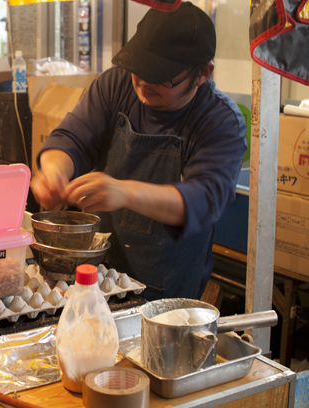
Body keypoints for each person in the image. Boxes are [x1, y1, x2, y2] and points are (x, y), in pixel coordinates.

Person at [31, 2, 247, 301]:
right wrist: (54, 170)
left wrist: (126, 193)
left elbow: (206, 198)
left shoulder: (220, 120)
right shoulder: (117, 84)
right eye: (139, 66)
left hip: (167, 294)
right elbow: (72, 138)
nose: (144, 81)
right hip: (97, 275)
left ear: (202, 74)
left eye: (162, 74)